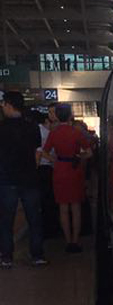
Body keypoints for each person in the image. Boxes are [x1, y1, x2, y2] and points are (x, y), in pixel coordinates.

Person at [0, 91, 46, 267]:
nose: (3, 107)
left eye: (4, 104)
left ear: (10, 105)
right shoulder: (32, 127)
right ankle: (37, 255)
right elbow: (37, 152)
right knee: (34, 219)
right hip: (29, 179)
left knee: (6, 220)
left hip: (7, 179)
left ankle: (6, 257)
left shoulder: (1, 128)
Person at [40, 103, 91, 253]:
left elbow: (44, 152)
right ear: (70, 115)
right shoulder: (76, 133)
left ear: (57, 115)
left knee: (63, 208)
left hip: (59, 169)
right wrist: (78, 156)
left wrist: (54, 160)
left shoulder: (54, 133)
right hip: (74, 169)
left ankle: (67, 241)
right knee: (75, 208)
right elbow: (89, 152)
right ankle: (76, 241)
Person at [31, 110, 59, 238]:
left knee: (46, 200)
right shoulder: (43, 132)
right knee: (47, 199)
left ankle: (48, 228)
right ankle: (49, 229)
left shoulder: (47, 132)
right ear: (47, 121)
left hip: (45, 169)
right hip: (44, 168)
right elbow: (40, 152)